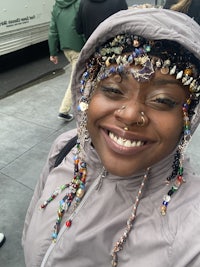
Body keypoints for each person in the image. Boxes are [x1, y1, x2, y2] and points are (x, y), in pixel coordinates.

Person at [22, 7, 200, 267]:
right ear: (88, 91)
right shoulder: (65, 149)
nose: (130, 115)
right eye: (113, 89)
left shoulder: (190, 227)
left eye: (162, 100)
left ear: (189, 115)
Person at [48, 0, 85, 122]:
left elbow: (52, 31)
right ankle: (64, 110)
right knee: (75, 79)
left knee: (79, 75)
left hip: (66, 48)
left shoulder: (57, 6)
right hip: (79, 47)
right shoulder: (79, 3)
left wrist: (53, 52)